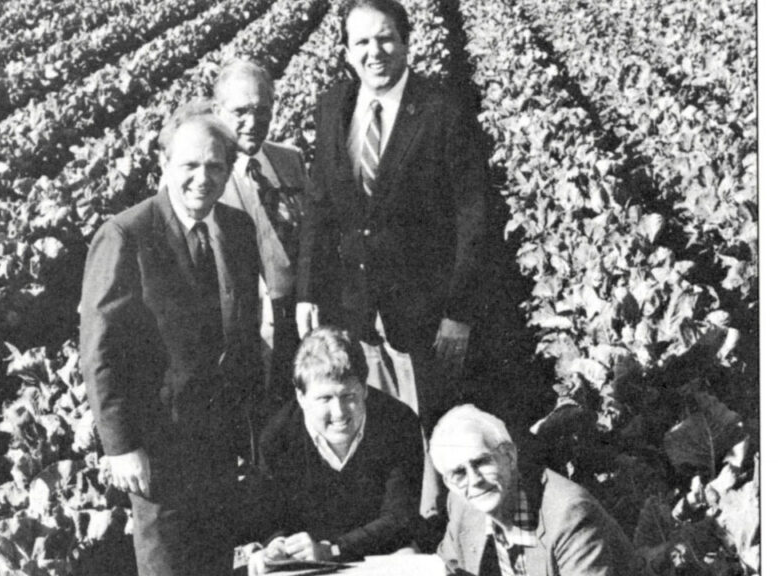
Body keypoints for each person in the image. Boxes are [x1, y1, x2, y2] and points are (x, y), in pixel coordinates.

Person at [296, 0, 489, 523]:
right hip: (356, 305)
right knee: (372, 421)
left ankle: (444, 531)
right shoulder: (334, 106)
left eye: (385, 39)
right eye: (361, 42)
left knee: (435, 424)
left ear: (406, 43)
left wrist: (459, 311)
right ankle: (387, 527)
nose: (374, 52)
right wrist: (309, 290)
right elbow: (318, 206)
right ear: (346, 52)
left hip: (425, 308)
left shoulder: (443, 109)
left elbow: (475, 218)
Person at [78, 103, 261, 576]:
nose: (203, 178)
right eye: (190, 166)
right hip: (159, 446)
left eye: (216, 166)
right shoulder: (126, 235)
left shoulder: (238, 229)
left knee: (215, 562)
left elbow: (242, 332)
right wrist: (119, 445)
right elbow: (100, 352)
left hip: (219, 443)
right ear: (164, 166)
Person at [247, 326, 423, 575]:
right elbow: (270, 515)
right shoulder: (277, 436)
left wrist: (333, 549)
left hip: (380, 550)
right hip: (310, 559)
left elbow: (400, 519)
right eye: (325, 399)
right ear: (301, 396)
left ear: (364, 388)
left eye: (348, 395)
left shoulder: (398, 422)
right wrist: (275, 543)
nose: (339, 412)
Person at [430, 405, 644, 576]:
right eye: (459, 473)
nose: (474, 480)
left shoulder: (570, 516)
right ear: (449, 483)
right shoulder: (462, 504)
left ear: (509, 456)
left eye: (482, 462)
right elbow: (448, 568)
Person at [212, 59, 313, 411]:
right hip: (243, 328)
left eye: (263, 110)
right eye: (239, 111)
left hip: (298, 316)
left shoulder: (291, 160)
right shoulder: (200, 174)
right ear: (216, 110)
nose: (253, 123)